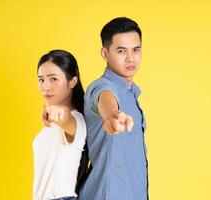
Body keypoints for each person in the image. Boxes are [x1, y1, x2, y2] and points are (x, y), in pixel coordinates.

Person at [79, 17, 148, 200]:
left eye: (136, 50)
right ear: (105, 53)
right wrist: (112, 115)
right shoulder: (100, 86)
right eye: (121, 51)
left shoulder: (132, 93)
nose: (130, 58)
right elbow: (105, 98)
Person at [32, 50, 89, 200]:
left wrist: (57, 112)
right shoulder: (51, 127)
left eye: (53, 79)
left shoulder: (77, 121)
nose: (46, 86)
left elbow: (65, 117)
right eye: (41, 80)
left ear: (72, 82)